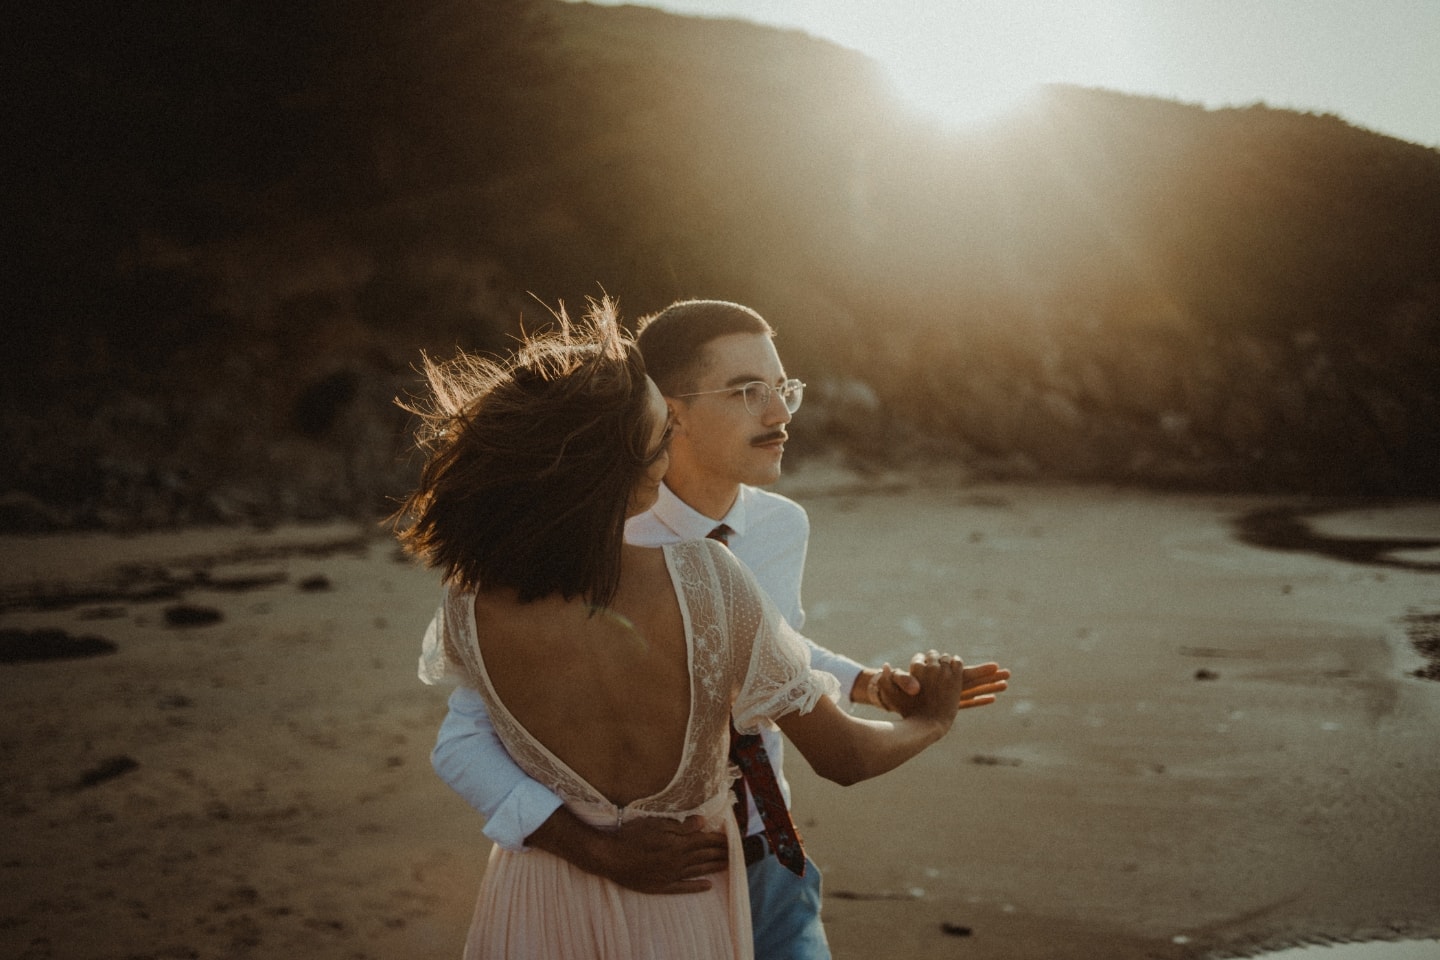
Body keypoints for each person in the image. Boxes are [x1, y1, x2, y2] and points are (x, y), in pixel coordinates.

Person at [425, 298, 1009, 957]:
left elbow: (760, 646)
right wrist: (932, 721)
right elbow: (840, 753)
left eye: (781, 388)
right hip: (675, 879)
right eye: (746, 391)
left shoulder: (473, 597)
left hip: (640, 880)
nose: (780, 412)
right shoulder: (704, 571)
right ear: (663, 422)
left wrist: (866, 683)